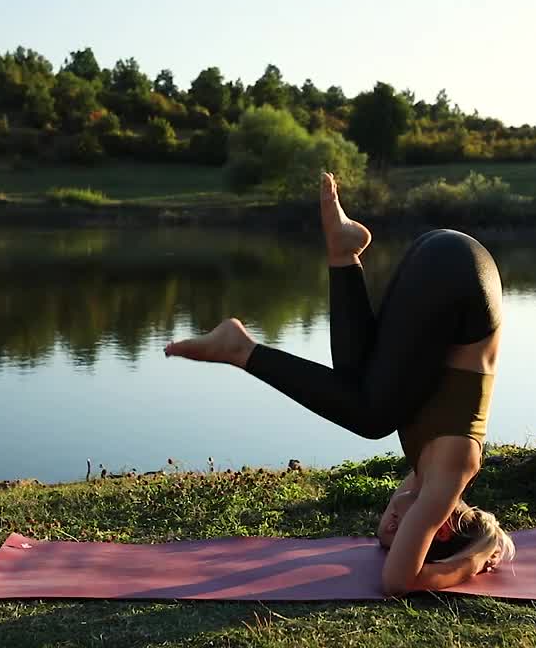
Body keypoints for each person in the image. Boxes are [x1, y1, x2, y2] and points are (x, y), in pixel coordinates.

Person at [165, 172, 514, 595]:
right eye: (398, 531)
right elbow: (397, 582)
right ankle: (242, 349)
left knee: (360, 385)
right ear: (440, 531)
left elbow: (394, 536)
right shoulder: (447, 478)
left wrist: (412, 535)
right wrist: (477, 556)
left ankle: (344, 252)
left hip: (446, 260)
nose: (386, 525)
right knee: (370, 418)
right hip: (459, 280)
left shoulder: (427, 476)